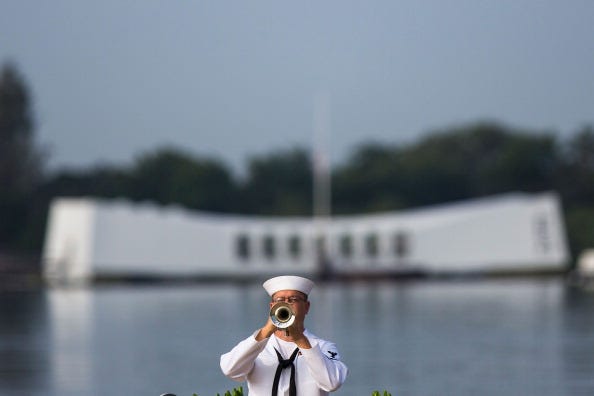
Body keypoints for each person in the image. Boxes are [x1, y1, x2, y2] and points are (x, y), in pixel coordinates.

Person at [220, 275, 348, 396]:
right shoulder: (256, 346)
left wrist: (300, 339)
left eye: (293, 299)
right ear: (272, 307)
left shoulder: (322, 347)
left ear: (306, 307)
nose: (287, 304)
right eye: (280, 301)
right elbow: (231, 370)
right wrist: (265, 331)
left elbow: (332, 383)